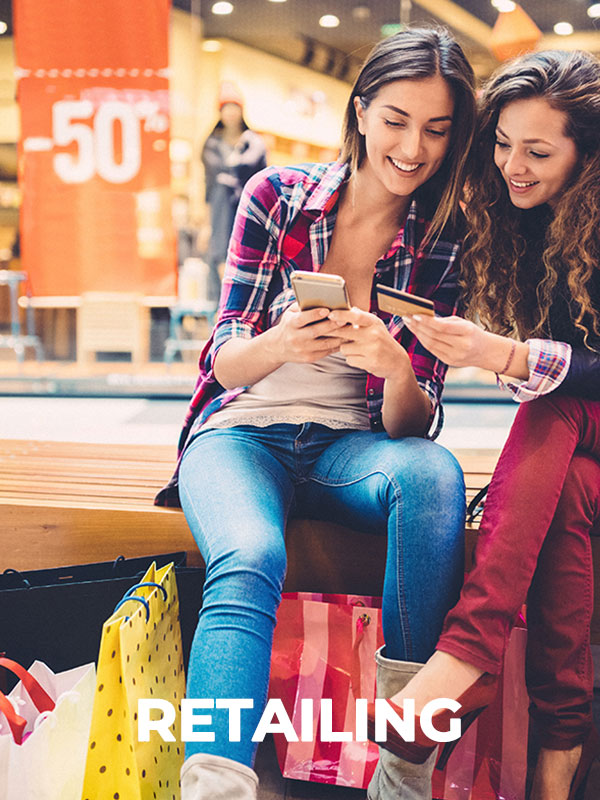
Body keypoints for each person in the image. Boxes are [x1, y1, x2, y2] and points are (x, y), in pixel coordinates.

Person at [156, 28, 477, 800]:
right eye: (397, 119)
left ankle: (403, 771)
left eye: (437, 130)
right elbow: (223, 361)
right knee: (250, 554)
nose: (413, 147)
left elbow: (412, 427)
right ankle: (217, 786)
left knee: (434, 476)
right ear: (361, 111)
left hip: (349, 451)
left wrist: (396, 366)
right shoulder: (277, 197)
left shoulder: (448, 240)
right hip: (241, 438)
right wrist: (281, 342)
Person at [379, 49, 600, 800]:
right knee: (564, 491)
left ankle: (466, 655)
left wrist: (507, 353)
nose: (513, 166)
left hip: (578, 415)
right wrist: (488, 351)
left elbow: (577, 374)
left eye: (538, 152)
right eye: (503, 144)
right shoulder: (525, 221)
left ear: (588, 152)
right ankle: (556, 763)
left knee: (558, 404)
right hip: (581, 452)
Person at [201, 82, 267, 303]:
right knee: (219, 258)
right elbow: (209, 187)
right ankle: (222, 308)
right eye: (225, 107)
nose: (230, 113)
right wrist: (204, 224)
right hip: (221, 215)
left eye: (234, 107)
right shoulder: (211, 146)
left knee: (249, 256)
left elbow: (264, 181)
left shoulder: (254, 144)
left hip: (249, 210)